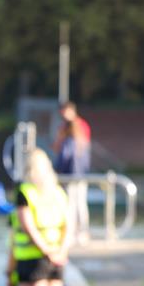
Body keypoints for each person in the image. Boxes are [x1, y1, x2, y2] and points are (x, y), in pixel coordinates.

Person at [13, 148, 71, 286]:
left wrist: (46, 251)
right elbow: (69, 225)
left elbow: (28, 227)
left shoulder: (25, 192)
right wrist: (60, 251)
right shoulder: (58, 192)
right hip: (57, 257)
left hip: (32, 258)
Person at [54, 101, 91, 243]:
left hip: (71, 173)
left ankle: (75, 232)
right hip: (81, 173)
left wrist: (57, 170)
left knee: (71, 204)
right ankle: (81, 232)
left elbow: (64, 154)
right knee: (79, 203)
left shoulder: (74, 132)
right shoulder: (77, 136)